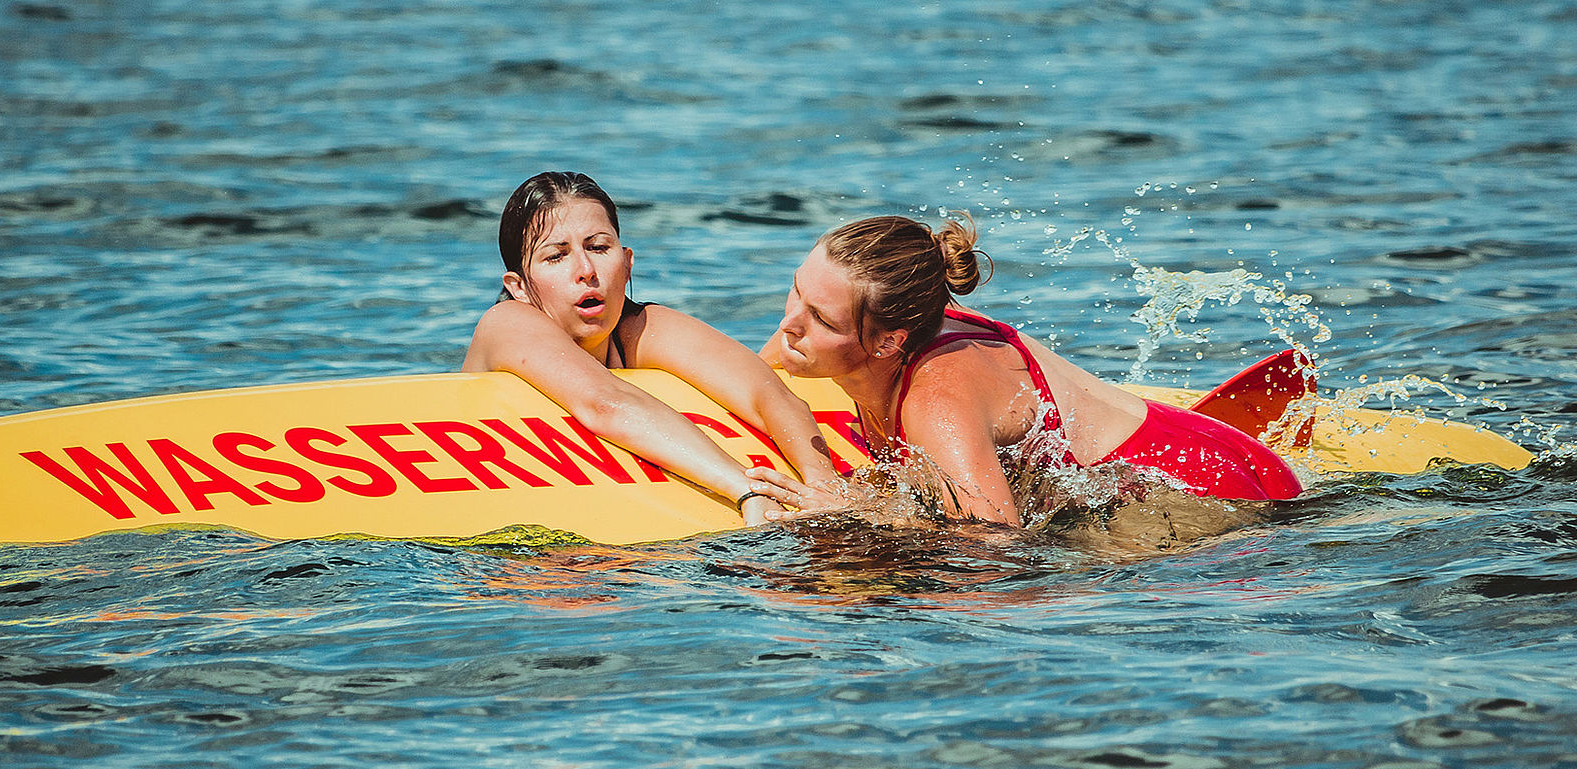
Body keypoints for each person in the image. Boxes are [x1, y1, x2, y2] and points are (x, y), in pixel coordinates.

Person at [748, 214, 1302, 527]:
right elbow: (766, 357)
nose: (789, 323)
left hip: (1211, 493)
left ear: (889, 340)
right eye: (796, 288)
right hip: (1195, 450)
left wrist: (853, 512)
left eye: (819, 316)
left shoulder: (934, 403)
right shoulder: (860, 317)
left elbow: (994, 546)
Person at [462, 171, 840, 524]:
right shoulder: (506, 323)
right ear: (519, 286)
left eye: (598, 247)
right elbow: (605, 403)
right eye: (556, 256)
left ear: (626, 264)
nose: (585, 269)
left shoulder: (638, 327)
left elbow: (767, 393)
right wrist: (748, 491)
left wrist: (823, 485)